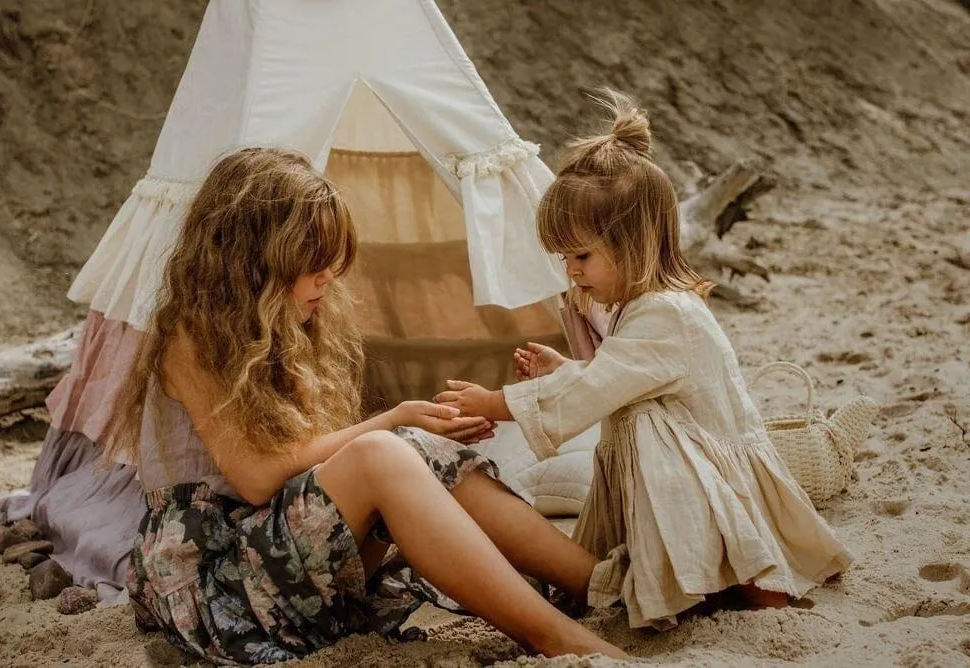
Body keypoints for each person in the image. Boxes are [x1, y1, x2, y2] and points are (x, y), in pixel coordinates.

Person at [103, 147, 629, 664]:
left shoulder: (288, 328)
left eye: (331, 261)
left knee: (412, 446)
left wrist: (414, 434)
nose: (328, 276)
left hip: (278, 554)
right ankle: (553, 635)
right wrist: (393, 419)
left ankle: (605, 585)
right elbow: (259, 479)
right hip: (215, 584)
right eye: (312, 262)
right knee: (383, 449)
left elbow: (309, 465)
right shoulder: (191, 339)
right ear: (256, 258)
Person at [434, 90, 854, 630]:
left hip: (701, 469)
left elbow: (605, 390)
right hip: (698, 459)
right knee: (641, 423)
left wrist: (493, 402)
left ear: (634, 242)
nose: (573, 273)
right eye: (565, 260)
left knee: (682, 475)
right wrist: (567, 370)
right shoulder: (649, 307)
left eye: (582, 256)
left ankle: (757, 588)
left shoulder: (663, 314)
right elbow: (625, 379)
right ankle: (728, 582)